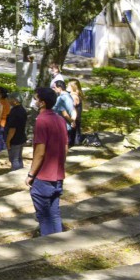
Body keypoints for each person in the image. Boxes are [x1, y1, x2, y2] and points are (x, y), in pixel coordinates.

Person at [29, 86, 69, 235]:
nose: (34, 101)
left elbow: (40, 152)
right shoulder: (60, 119)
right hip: (58, 176)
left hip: (43, 177)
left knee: (44, 217)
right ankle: (58, 245)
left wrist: (31, 174)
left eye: (35, 98)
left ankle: (47, 246)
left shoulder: (41, 120)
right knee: (55, 213)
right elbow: (65, 148)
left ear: (42, 102)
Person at [6, 92, 28, 170]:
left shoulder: (14, 112)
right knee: (19, 157)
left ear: (14, 100)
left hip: (15, 139)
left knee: (14, 159)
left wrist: (8, 141)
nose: (8, 101)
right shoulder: (23, 110)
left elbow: (12, 128)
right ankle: (20, 170)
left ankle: (15, 172)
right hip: (21, 137)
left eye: (10, 99)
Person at [0, 87, 12, 152]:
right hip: (6, 125)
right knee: (5, 144)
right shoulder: (8, 102)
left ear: (0, 94)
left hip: (1, 126)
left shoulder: (0, 103)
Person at [67, 79, 85, 146]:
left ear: (73, 87)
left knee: (73, 135)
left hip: (74, 118)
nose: (67, 86)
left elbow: (72, 108)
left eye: (69, 85)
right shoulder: (75, 95)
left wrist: (72, 120)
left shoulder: (74, 96)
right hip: (76, 118)